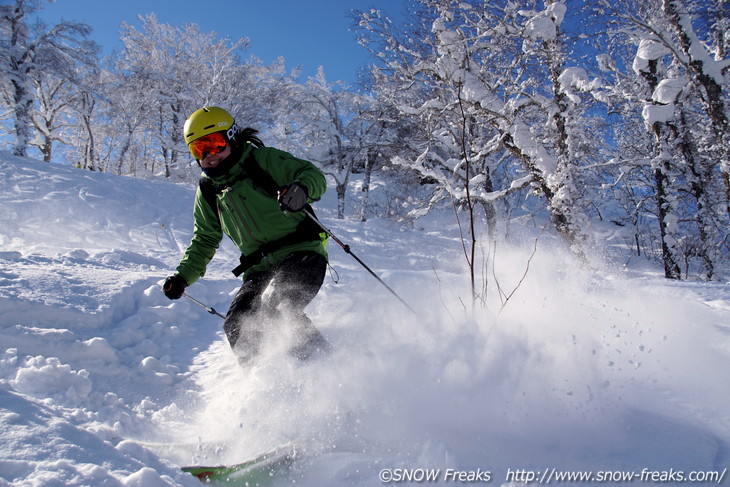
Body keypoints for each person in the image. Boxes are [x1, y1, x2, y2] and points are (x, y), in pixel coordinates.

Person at [162, 106, 330, 365]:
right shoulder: (208, 191)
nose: (209, 155)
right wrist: (183, 276)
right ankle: (263, 387)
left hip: (302, 251)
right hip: (259, 268)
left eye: (214, 144)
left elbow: (312, 175)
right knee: (238, 326)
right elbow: (205, 239)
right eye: (199, 149)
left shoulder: (262, 161)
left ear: (231, 137)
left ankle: (325, 368)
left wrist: (301, 189)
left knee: (278, 304)